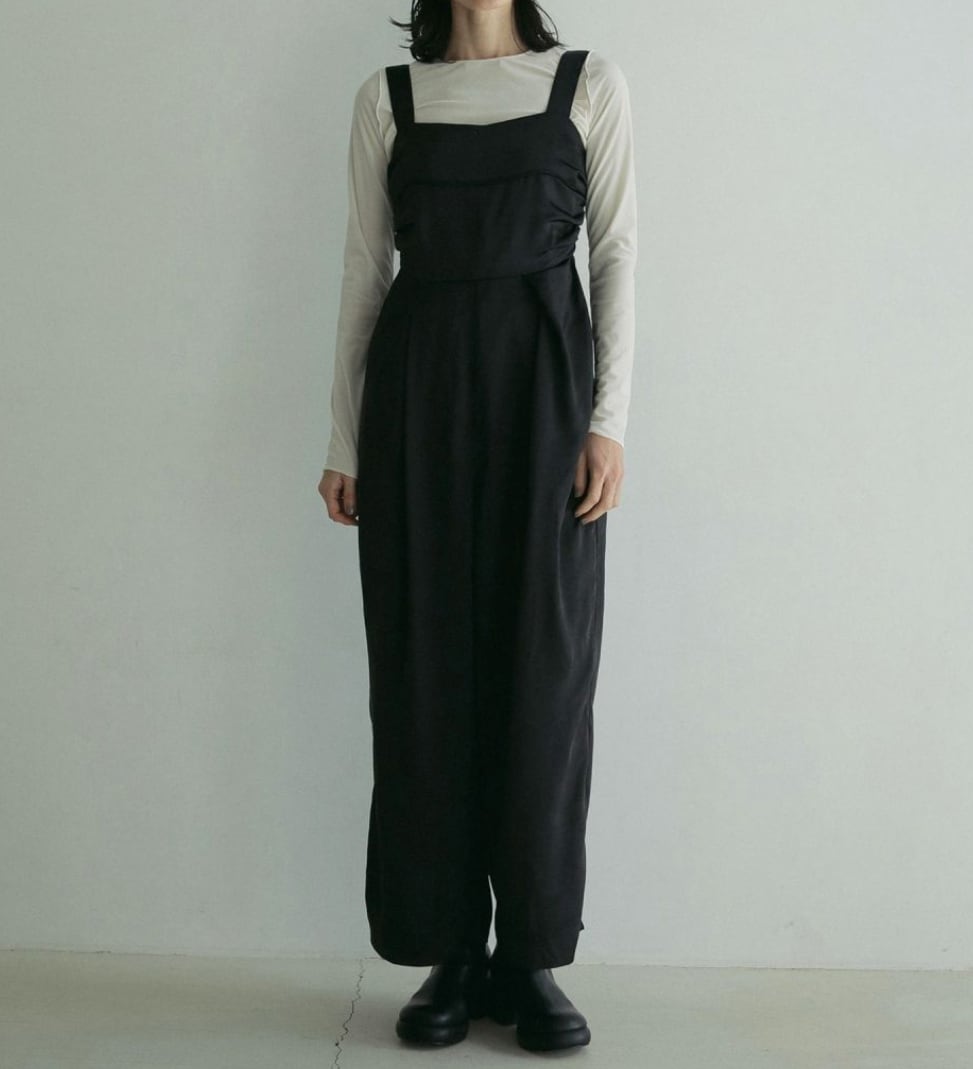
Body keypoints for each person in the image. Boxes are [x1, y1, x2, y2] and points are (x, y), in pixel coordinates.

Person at [317, 0, 637, 1053]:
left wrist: (607, 424)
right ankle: (448, 949)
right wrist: (345, 438)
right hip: (416, 396)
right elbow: (364, 268)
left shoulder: (587, 85)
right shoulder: (388, 99)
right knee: (425, 672)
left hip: (546, 395)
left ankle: (529, 954)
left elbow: (616, 255)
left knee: (543, 675)